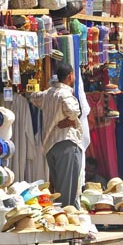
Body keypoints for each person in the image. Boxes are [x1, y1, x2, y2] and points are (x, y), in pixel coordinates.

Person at [29, 62, 84, 208]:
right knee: (68, 191)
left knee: (60, 188)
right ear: (70, 76)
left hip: (50, 146)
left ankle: (63, 220)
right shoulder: (64, 93)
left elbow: (33, 97)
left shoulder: (49, 93)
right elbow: (74, 111)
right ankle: (66, 222)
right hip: (65, 143)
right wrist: (71, 120)